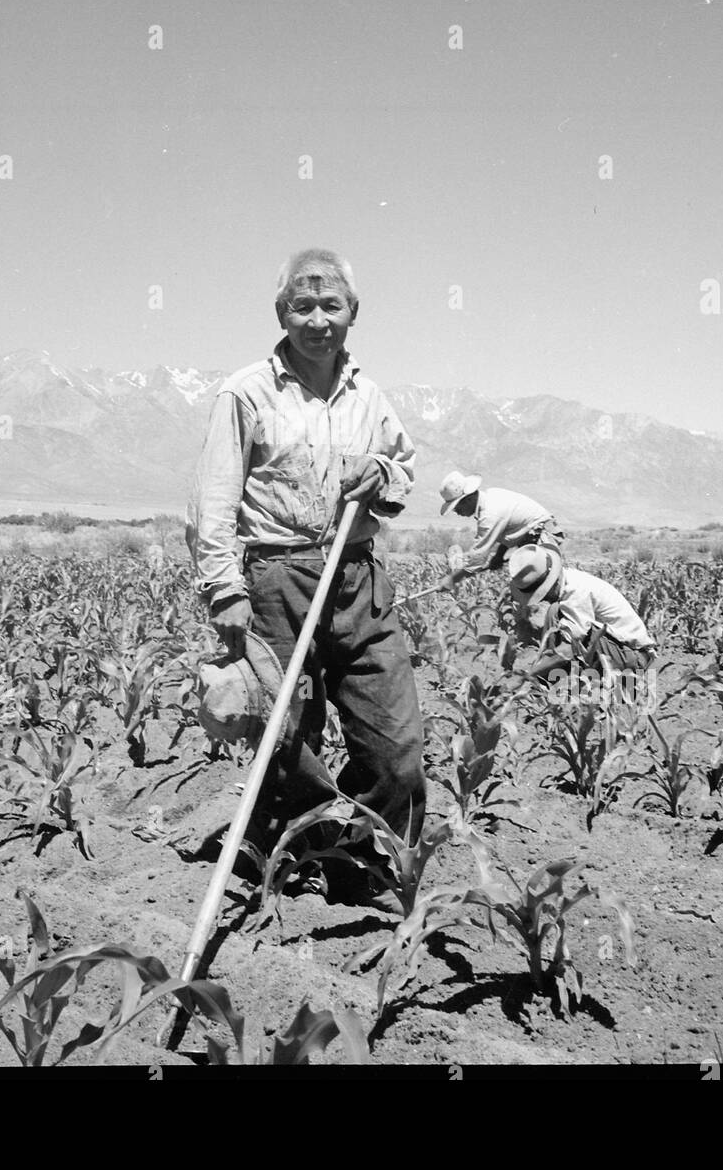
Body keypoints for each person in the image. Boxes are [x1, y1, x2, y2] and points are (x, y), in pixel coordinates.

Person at [186, 249, 426, 898]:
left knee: (397, 748)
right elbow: (213, 498)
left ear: (353, 313)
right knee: (286, 738)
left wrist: (381, 475)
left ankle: (354, 853)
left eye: (331, 305)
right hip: (275, 579)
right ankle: (305, 849)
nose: (317, 319)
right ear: (281, 313)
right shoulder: (246, 392)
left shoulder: (369, 397)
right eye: (303, 305)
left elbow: (403, 470)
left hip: (356, 580)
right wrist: (225, 587)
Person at [504, 546, 656, 690]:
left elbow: (567, 651)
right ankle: (549, 682)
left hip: (635, 659)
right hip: (621, 651)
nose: (543, 599)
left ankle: (593, 688)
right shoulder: (569, 581)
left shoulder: (576, 593)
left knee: (580, 639)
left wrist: (527, 675)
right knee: (555, 613)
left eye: (541, 594)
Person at [438, 473, 565, 595]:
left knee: (543, 589)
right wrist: (499, 556)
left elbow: (477, 558)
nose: (456, 512)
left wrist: (452, 580)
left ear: (468, 499)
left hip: (544, 537)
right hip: (533, 538)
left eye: (456, 507)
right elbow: (510, 529)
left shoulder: (489, 514)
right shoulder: (491, 496)